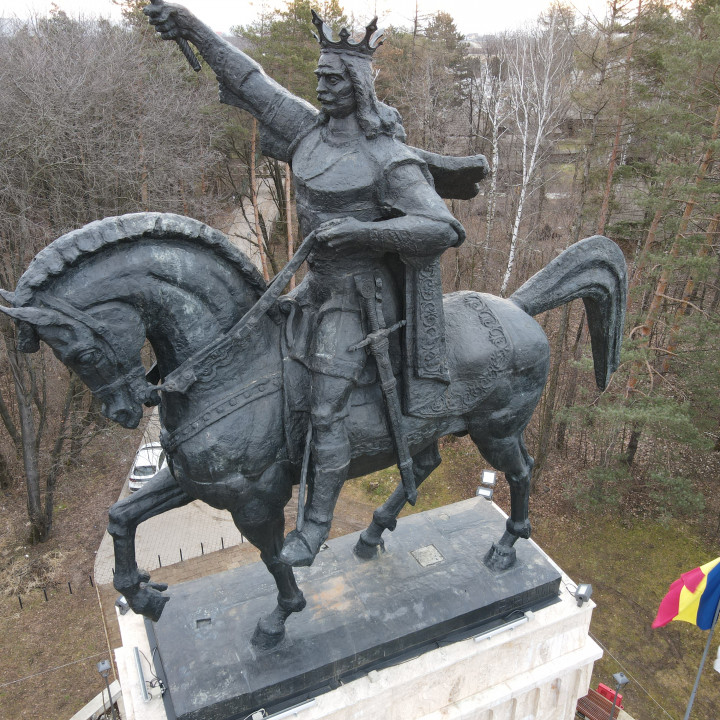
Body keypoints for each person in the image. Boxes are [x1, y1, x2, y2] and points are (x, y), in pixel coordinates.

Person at [145, 2, 476, 566]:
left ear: (358, 84)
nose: (322, 86)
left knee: (327, 407)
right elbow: (249, 80)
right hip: (314, 288)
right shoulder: (307, 134)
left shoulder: (386, 157)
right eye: (318, 77)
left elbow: (444, 226)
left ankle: (314, 526)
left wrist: (365, 235)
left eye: (333, 78)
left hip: (361, 302)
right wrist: (191, 26)